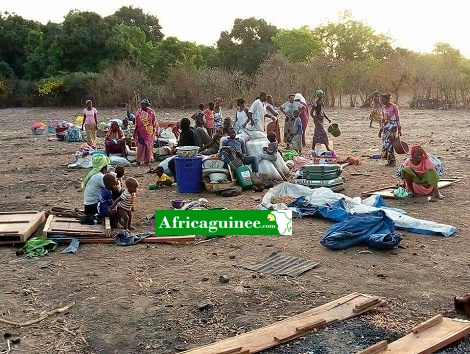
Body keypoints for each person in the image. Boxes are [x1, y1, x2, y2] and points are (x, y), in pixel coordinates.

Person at [168, 118, 197, 182]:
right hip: (185, 153)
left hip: (187, 154)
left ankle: (177, 179)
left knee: (171, 164)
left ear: (183, 125)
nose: (179, 125)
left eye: (180, 124)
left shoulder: (188, 133)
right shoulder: (185, 132)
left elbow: (184, 145)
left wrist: (176, 149)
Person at [134, 98, 159, 166]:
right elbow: (137, 121)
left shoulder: (151, 112)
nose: (142, 106)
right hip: (141, 131)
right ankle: (138, 160)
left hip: (149, 131)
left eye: (143, 105)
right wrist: (136, 130)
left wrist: (155, 129)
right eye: (141, 105)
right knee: (141, 145)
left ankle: (147, 160)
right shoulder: (138, 112)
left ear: (146, 105)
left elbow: (154, 121)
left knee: (148, 146)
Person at [379, 93, 401, 167]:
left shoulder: (394, 107)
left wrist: (399, 128)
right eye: (381, 99)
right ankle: (389, 160)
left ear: (388, 99)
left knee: (390, 144)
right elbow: (382, 119)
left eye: (383, 99)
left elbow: (397, 118)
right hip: (386, 127)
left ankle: (393, 161)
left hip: (393, 127)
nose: (382, 101)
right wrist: (381, 129)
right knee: (385, 144)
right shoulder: (383, 108)